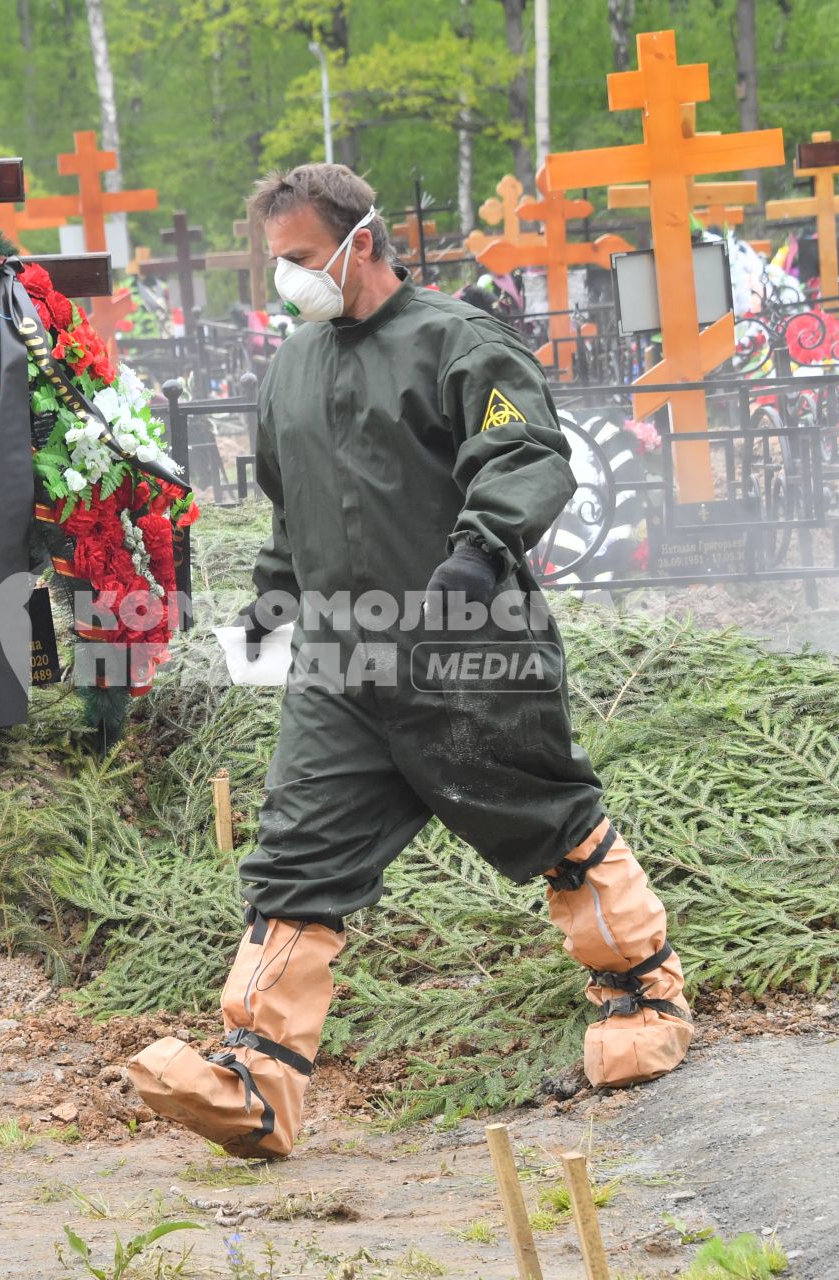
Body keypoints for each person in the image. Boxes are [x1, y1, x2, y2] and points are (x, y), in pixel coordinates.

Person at [126, 164, 692, 1160]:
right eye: (278, 265)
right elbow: (291, 505)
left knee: (550, 820)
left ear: (361, 241)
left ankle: (645, 997)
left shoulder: (456, 341)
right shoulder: (293, 367)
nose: (288, 283)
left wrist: (480, 551)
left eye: (301, 260)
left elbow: (527, 453)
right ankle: (258, 1081)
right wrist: (270, 594)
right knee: (295, 858)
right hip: (342, 671)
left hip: (470, 655)